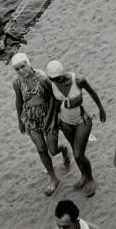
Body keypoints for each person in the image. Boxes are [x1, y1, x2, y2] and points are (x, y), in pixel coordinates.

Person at [11, 53, 71, 195]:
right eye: (17, 69)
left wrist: (50, 118)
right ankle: (53, 178)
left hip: (47, 115)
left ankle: (63, 149)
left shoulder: (42, 78)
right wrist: (20, 120)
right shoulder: (17, 83)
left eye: (22, 66)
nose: (21, 71)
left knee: (52, 150)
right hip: (31, 117)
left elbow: (53, 98)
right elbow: (19, 101)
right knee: (41, 149)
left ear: (28, 64)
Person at [45, 60, 107, 196]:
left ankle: (90, 178)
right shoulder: (53, 84)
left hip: (81, 119)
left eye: (58, 78)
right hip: (65, 121)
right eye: (53, 79)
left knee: (79, 153)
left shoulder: (78, 80)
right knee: (75, 151)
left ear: (62, 73)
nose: (56, 81)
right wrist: (53, 121)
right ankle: (83, 176)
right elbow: (55, 103)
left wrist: (101, 109)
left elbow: (92, 93)